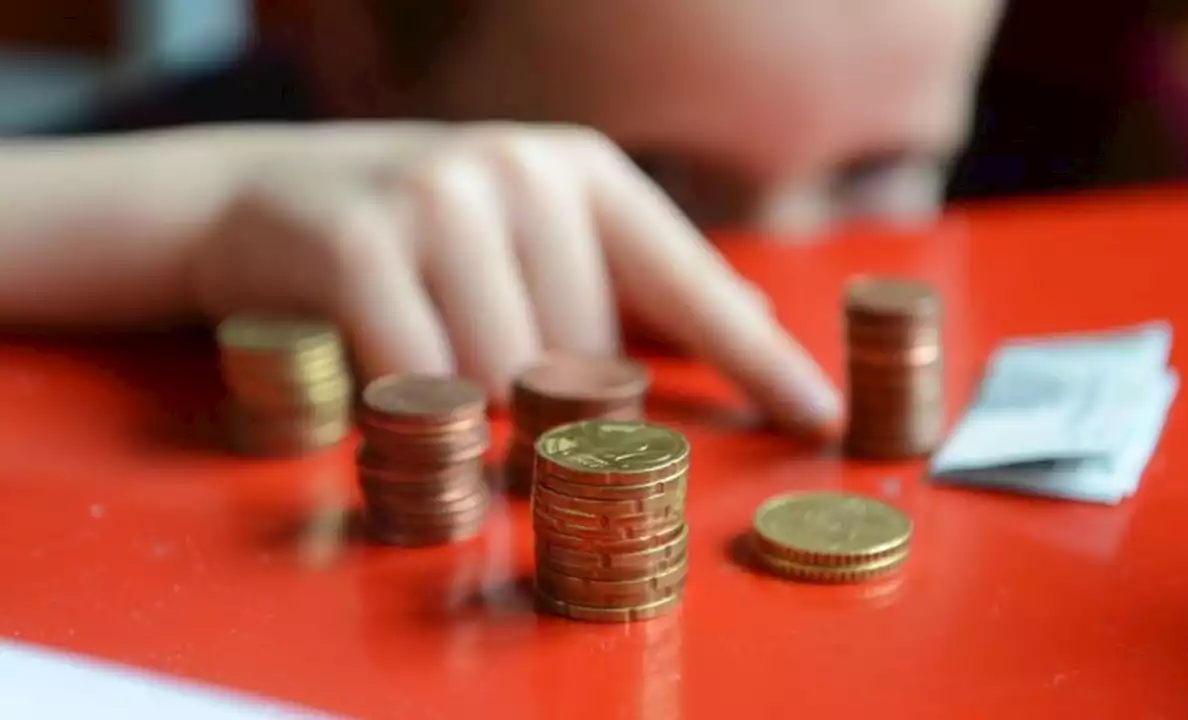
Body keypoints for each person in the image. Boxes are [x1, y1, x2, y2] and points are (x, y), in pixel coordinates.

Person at [0, 0, 1004, 437]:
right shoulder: (207, 138)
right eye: (655, 176)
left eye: (876, 171)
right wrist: (204, 211)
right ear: (368, 69)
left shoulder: (1110, 128)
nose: (757, 287)